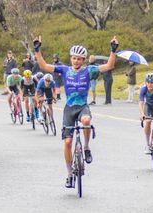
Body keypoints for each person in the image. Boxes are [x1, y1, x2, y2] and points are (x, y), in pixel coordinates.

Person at [33, 35, 119, 188]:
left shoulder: (89, 70)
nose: (76, 61)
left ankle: (85, 147)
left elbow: (109, 66)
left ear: (83, 60)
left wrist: (113, 50)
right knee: (67, 142)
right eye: (74, 58)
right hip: (69, 108)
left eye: (79, 59)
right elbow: (45, 66)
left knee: (86, 121)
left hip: (82, 107)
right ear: (71, 58)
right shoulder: (65, 70)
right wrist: (37, 50)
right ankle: (69, 174)